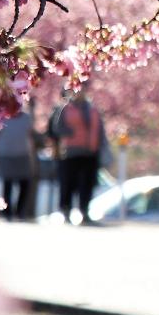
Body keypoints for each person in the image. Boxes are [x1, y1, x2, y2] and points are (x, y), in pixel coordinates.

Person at [46, 86, 107, 225]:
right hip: (71, 152)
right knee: (68, 182)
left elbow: (100, 129)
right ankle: (66, 209)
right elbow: (57, 128)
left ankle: (84, 210)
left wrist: (101, 145)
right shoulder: (66, 108)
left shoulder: (93, 109)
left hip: (91, 152)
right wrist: (72, 133)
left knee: (87, 183)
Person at [0, 110, 39, 221]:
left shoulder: (26, 117)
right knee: (8, 184)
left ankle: (20, 211)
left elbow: (31, 136)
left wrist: (32, 156)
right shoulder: (0, 117)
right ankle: (7, 212)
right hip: (5, 154)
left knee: (25, 184)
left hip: (23, 154)